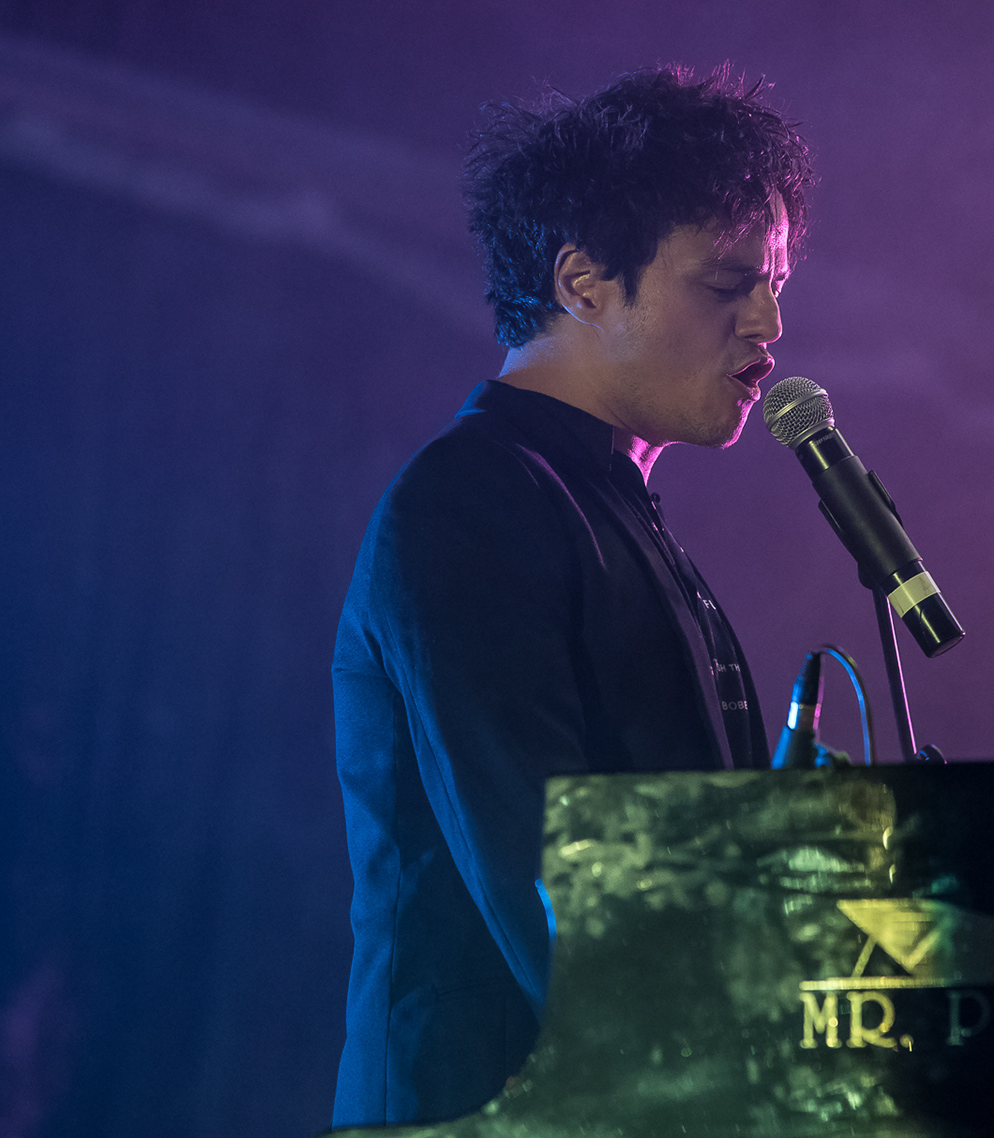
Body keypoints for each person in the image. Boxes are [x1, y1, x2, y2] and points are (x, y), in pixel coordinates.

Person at [329, 66, 814, 1125]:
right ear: (584, 282)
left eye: (775, 284)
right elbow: (549, 870)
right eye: (727, 285)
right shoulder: (472, 499)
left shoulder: (607, 507)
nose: (769, 322)